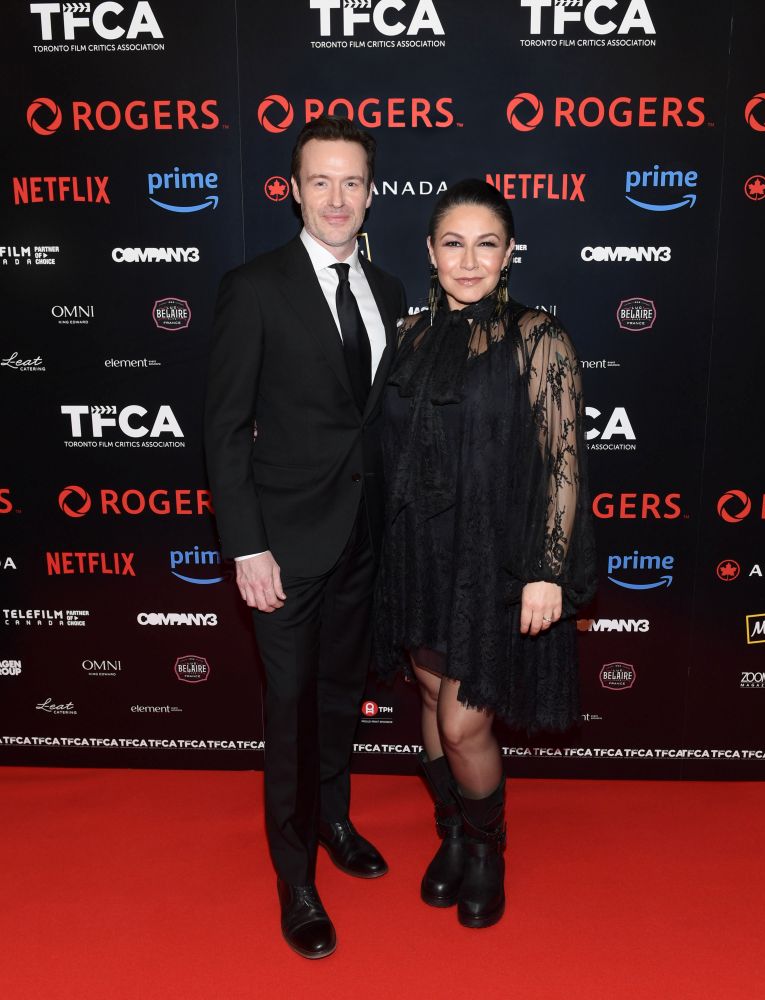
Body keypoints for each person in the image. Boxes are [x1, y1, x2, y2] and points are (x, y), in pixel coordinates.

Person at [204, 116, 406, 960]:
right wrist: (247, 547)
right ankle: (295, 879)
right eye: (320, 181)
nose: (337, 197)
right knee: (289, 712)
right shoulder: (254, 287)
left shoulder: (388, 289)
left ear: (371, 193)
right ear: (293, 190)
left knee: (337, 698)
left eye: (351, 181)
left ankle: (333, 820)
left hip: (363, 540)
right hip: (283, 549)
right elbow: (224, 428)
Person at [375, 179, 596, 929]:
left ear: (508, 254)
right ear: (430, 251)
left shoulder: (538, 337)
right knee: (429, 698)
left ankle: (486, 846)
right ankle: (450, 832)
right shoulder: (408, 335)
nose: (468, 261)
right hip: (418, 552)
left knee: (464, 723)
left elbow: (564, 462)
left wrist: (548, 569)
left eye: (486, 245)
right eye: (453, 244)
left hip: (493, 561)